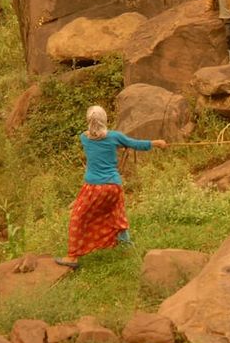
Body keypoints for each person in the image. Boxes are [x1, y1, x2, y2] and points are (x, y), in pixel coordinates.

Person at [54, 106, 167, 269]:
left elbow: (97, 141)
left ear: (88, 121)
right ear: (105, 120)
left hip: (94, 188)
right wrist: (157, 143)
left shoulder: (84, 138)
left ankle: (72, 257)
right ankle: (126, 246)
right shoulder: (115, 137)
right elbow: (135, 144)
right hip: (114, 186)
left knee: (77, 218)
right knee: (116, 213)